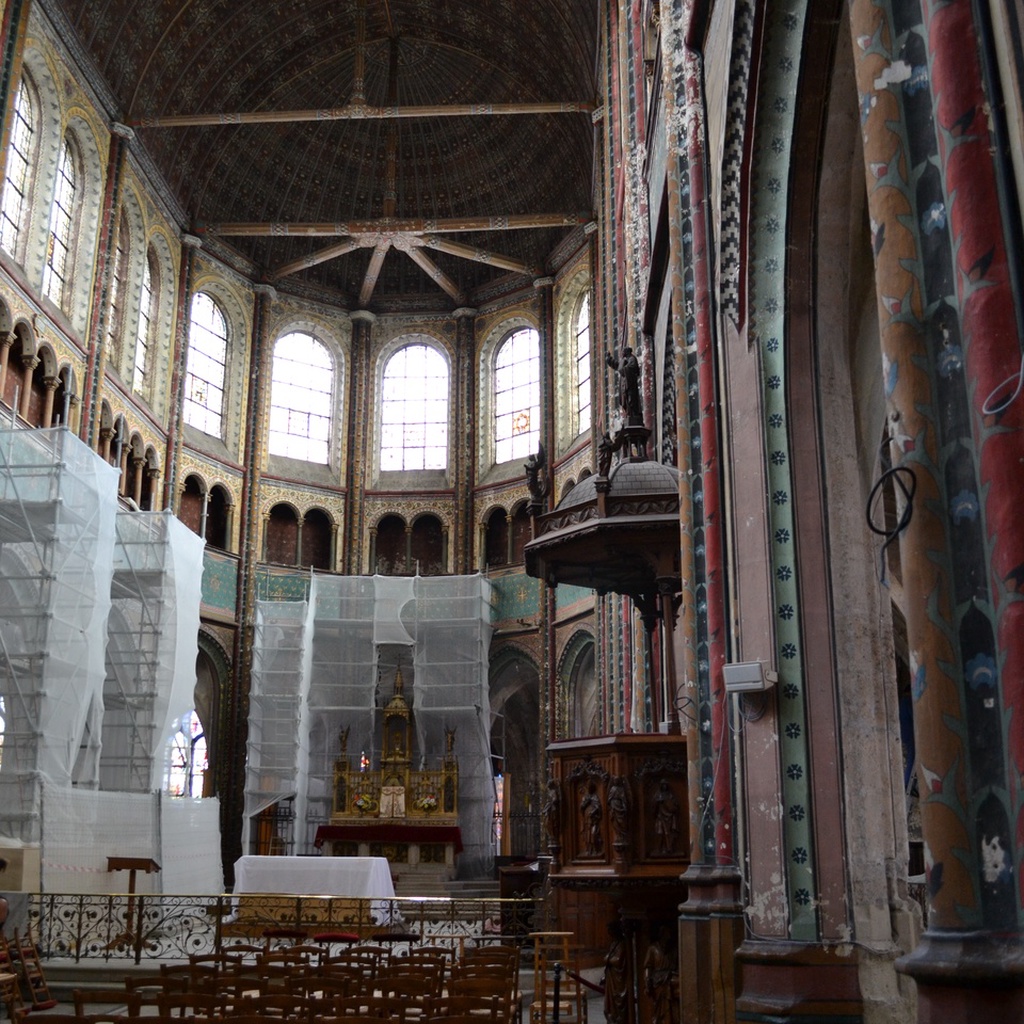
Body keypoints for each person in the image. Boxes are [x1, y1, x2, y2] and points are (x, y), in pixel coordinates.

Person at [644, 924, 676, 1024]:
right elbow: (648, 967)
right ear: (662, 934)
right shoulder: (653, 948)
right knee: (658, 1008)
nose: (669, 936)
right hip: (658, 981)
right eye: (667, 933)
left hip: (669, 979)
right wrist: (647, 982)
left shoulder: (672, 949)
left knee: (669, 1008)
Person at [603, 919, 629, 1024]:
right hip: (612, 977)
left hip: (619, 979)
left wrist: (607, 959)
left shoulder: (622, 944)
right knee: (609, 1005)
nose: (609, 933)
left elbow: (618, 961)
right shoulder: (614, 943)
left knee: (618, 1003)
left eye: (610, 931)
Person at [606, 346, 642, 421]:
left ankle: (634, 415)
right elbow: (617, 365)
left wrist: (623, 368)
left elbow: (632, 368)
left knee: (631, 399)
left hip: (631, 384)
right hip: (625, 384)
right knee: (626, 400)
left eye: (623, 352)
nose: (622, 353)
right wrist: (609, 359)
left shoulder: (632, 358)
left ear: (627, 352)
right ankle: (629, 414)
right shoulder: (625, 360)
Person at [653, 778, 679, 855]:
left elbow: (675, 805)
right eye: (663, 785)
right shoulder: (658, 795)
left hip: (669, 817)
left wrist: (670, 805)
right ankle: (660, 848)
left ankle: (668, 848)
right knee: (660, 833)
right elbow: (653, 805)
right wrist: (657, 802)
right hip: (660, 816)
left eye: (665, 785)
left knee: (668, 833)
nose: (664, 786)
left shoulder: (670, 795)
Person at [580, 782, 603, 856]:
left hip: (593, 819)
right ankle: (588, 849)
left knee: (593, 834)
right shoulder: (586, 797)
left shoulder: (595, 797)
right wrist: (586, 801)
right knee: (587, 834)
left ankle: (595, 849)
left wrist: (593, 812)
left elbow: (598, 807)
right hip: (587, 818)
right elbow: (582, 807)